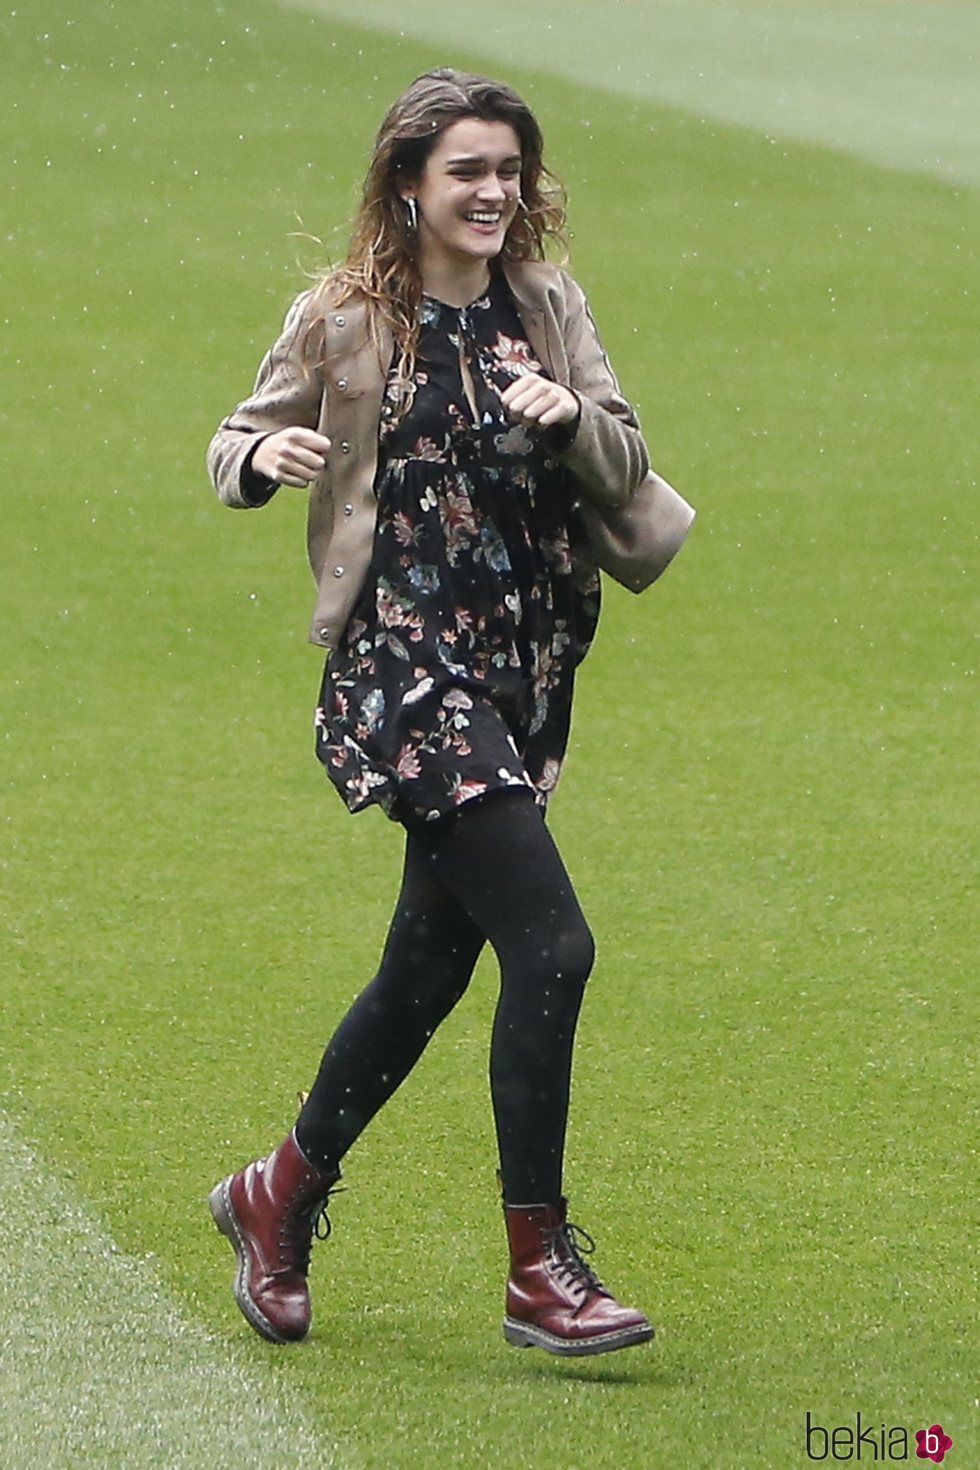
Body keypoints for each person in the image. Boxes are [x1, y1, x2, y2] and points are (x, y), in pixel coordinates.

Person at [206, 67, 679, 1358]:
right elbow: (232, 442)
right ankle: (541, 1268)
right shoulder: (349, 317)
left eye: (507, 170)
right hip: (403, 667)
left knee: (428, 965)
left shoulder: (548, 303)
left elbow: (627, 456)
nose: (491, 191)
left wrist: (569, 412)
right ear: (408, 183)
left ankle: (278, 1188)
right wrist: (262, 456)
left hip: (522, 662)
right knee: (555, 945)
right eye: (465, 169)